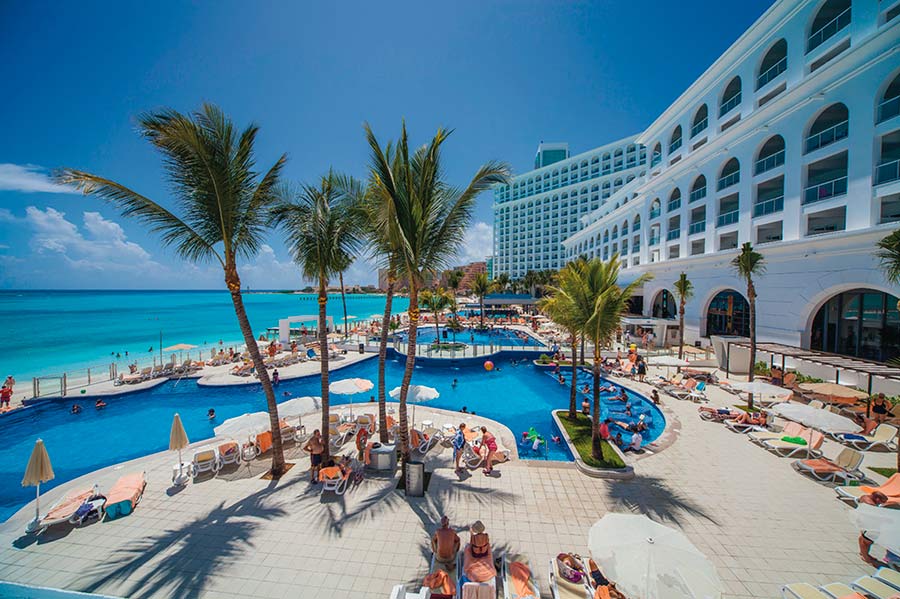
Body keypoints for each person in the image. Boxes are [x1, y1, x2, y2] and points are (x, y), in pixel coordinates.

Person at [859, 491, 890, 566]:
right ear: (877, 498)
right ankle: (865, 557)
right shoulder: (871, 505)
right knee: (867, 542)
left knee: (863, 539)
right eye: (881, 502)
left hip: (862, 521)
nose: (881, 504)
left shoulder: (865, 497)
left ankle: (864, 553)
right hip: (868, 525)